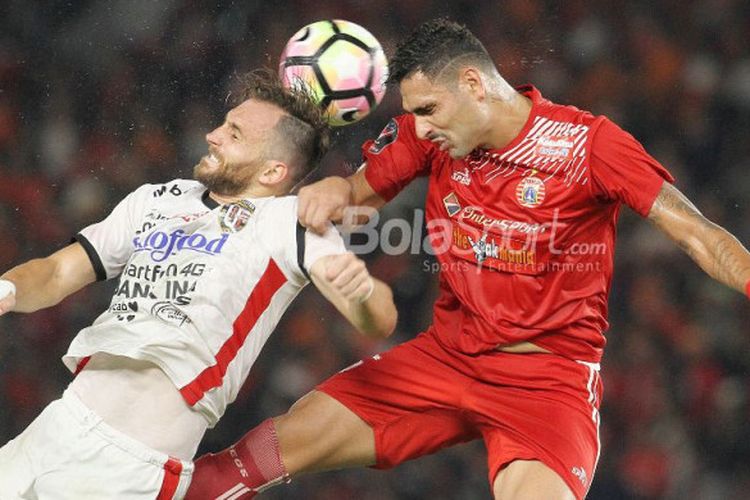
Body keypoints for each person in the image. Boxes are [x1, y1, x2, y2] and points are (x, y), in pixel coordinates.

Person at [186, 19, 750, 500]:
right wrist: (330, 193)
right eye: (414, 113)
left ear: (475, 83)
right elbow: (355, 194)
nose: (422, 126)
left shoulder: (588, 146)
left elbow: (698, 234)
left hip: (546, 384)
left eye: (429, 109)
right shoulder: (427, 133)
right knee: (257, 455)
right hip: (445, 358)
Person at [0, 69, 397, 499]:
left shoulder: (290, 225)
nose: (212, 135)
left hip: (130, 468)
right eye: (224, 123)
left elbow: (380, 320)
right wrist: (7, 289)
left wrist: (362, 293)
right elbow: (57, 272)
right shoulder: (156, 198)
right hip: (58, 425)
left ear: (272, 171)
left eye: (234, 133)